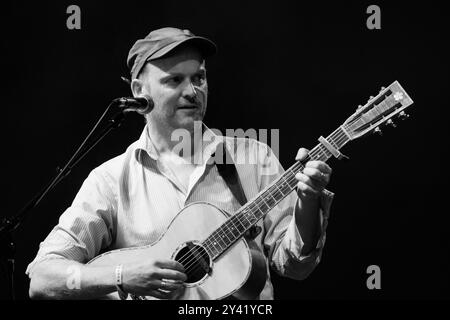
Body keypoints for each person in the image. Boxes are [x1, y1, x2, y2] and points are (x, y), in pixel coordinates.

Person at [27, 27, 334, 300]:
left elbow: (294, 266)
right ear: (138, 91)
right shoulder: (110, 179)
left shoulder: (254, 157)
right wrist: (122, 277)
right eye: (175, 80)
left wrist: (308, 203)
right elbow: (43, 277)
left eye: (199, 78)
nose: (192, 91)